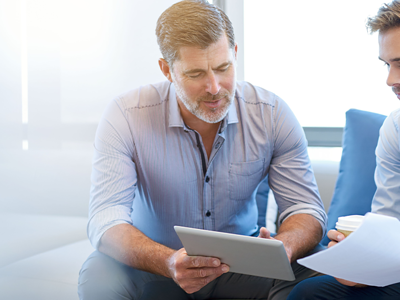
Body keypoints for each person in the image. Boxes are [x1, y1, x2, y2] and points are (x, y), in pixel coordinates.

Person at [78, 1, 327, 299]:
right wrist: (168, 261)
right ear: (167, 70)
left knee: (318, 271)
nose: (214, 87)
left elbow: (305, 209)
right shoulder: (126, 115)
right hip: (155, 265)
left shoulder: (271, 113)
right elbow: (106, 218)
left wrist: (284, 245)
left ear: (235, 53)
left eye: (223, 68)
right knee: (99, 275)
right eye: (196, 74)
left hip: (243, 269)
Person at [287, 1, 400, 299]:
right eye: (387, 64)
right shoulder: (395, 128)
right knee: (309, 294)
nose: (390, 80)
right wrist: (362, 263)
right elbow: (389, 225)